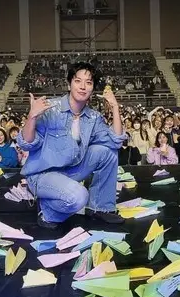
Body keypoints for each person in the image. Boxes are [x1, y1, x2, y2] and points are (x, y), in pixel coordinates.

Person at [17, 62, 125, 229]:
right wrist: (32, 116)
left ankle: (100, 207)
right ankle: (47, 212)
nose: (83, 87)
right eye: (77, 81)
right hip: (43, 175)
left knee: (107, 152)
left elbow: (116, 141)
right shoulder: (50, 109)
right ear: (69, 84)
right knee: (79, 196)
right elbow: (27, 144)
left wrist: (115, 107)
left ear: (93, 88)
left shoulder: (93, 117)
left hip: (70, 171)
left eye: (88, 83)